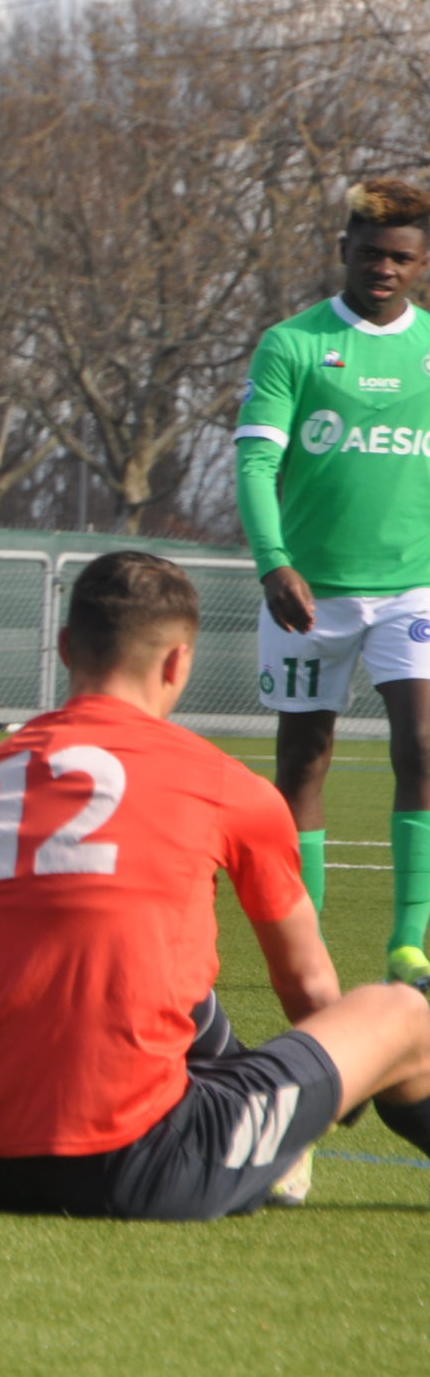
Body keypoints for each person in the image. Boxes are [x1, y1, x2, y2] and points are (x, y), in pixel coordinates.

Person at [0, 551, 430, 1219]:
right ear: (178, 663)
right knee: (400, 1015)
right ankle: (269, 1148)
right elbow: (310, 992)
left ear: (64, 648)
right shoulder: (225, 785)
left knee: (151, 975)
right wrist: (339, 1085)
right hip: (145, 1163)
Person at [236, 177, 430, 986]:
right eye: (370, 252)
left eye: (401, 256)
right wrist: (274, 561)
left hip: (413, 589)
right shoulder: (294, 344)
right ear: (343, 251)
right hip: (308, 590)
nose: (383, 268)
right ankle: (303, 935)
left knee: (423, 743)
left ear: (419, 264)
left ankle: (409, 943)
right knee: (303, 758)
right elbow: (255, 460)